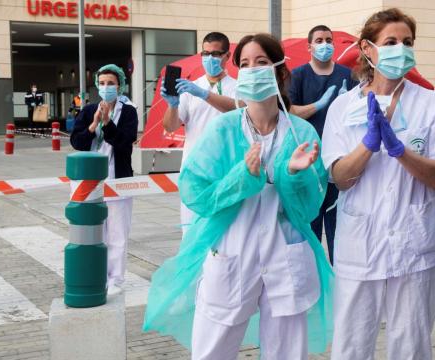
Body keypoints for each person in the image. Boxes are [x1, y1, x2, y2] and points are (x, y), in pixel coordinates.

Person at [143, 33, 334, 360]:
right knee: (213, 348)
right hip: (232, 249)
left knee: (288, 351)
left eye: (261, 62)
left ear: (281, 72)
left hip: (285, 251)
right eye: (244, 64)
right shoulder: (224, 128)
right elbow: (196, 194)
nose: (252, 70)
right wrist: (242, 177)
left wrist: (294, 175)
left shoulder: (302, 133)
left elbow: (308, 208)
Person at [322, 8, 435, 359]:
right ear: (367, 49)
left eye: (407, 42)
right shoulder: (343, 107)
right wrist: (368, 145)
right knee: (351, 343)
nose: (401, 48)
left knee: (411, 343)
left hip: (413, 242)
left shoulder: (430, 104)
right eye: (391, 42)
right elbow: (340, 178)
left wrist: (400, 151)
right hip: (360, 242)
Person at [289, 25, 358, 262]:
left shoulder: (347, 75)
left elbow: (358, 114)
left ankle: (340, 278)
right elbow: (289, 113)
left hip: (338, 158)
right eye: (319, 40)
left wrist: (345, 106)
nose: (325, 44)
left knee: (338, 225)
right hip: (309, 158)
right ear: (309, 46)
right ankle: (314, 278)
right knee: (311, 225)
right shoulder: (297, 75)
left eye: (329, 40)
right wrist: (319, 105)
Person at [70, 64, 138, 296]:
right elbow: (77, 142)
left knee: (118, 232)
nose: (106, 87)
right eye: (102, 83)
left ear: (120, 85)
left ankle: (116, 279)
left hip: (118, 178)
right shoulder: (88, 109)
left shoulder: (128, 111)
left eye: (111, 83)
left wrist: (108, 123)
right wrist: (94, 124)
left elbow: (124, 142)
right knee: (94, 231)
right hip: (90, 182)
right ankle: (97, 274)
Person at [161, 32, 238, 235]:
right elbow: (170, 126)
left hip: (225, 171)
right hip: (194, 172)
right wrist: (172, 105)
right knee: (192, 234)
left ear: (227, 56)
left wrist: (204, 94)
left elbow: (238, 110)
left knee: (223, 236)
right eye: (205, 53)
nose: (210, 58)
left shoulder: (237, 87)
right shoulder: (190, 86)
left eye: (215, 54)